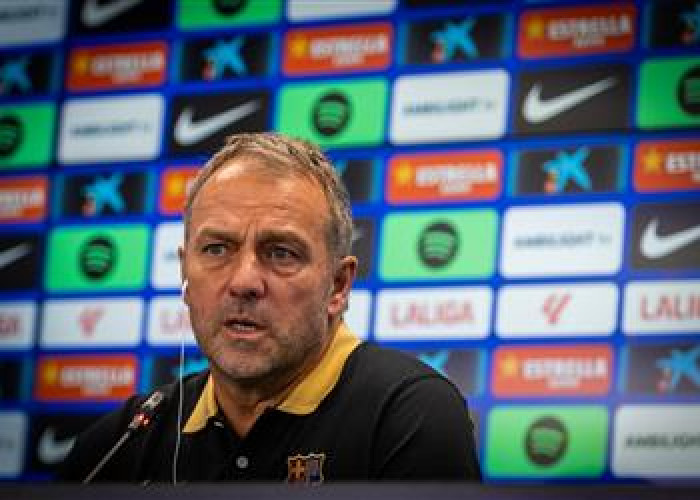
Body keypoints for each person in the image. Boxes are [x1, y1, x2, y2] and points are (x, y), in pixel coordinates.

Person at [58, 132, 481, 483]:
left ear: (338, 285)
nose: (243, 282)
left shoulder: (411, 415)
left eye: (281, 253)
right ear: (185, 273)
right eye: (217, 249)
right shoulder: (121, 441)